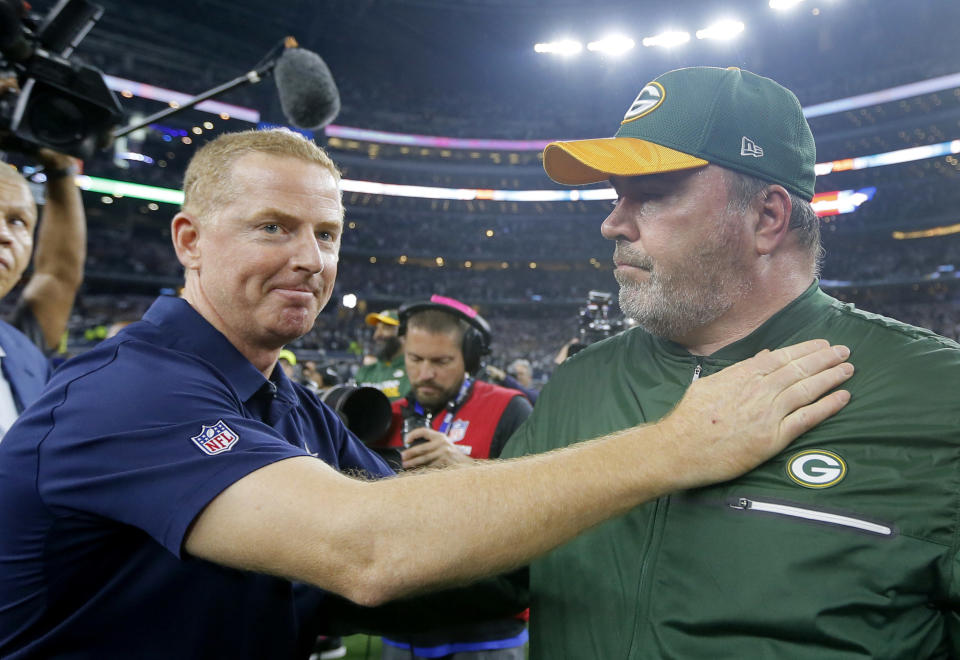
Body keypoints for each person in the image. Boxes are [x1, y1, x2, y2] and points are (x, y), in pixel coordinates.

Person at [0, 128, 854, 660]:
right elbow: (368, 552)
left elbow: (430, 552)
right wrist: (675, 448)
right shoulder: (123, 396)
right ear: (189, 239)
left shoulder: (286, 402)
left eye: (326, 233)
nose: (309, 258)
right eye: (273, 227)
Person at [500, 65, 960, 658]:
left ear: (767, 217)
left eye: (653, 193)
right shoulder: (579, 382)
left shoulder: (937, 395)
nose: (612, 221)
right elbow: (477, 577)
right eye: (617, 194)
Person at [378, 295, 533, 659]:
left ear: (472, 359)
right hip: (404, 625)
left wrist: (467, 469)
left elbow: (535, 503)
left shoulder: (509, 408)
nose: (425, 373)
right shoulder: (385, 416)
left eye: (441, 361)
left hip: (488, 629)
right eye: (415, 359)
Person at [0, 148, 85, 437]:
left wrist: (61, 168)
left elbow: (58, 276)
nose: (4, 234)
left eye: (17, 221)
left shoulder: (23, 353)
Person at [355, 308, 409, 402]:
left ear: (403, 334)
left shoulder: (412, 372)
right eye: (377, 328)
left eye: (385, 328)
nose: (377, 335)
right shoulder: (365, 372)